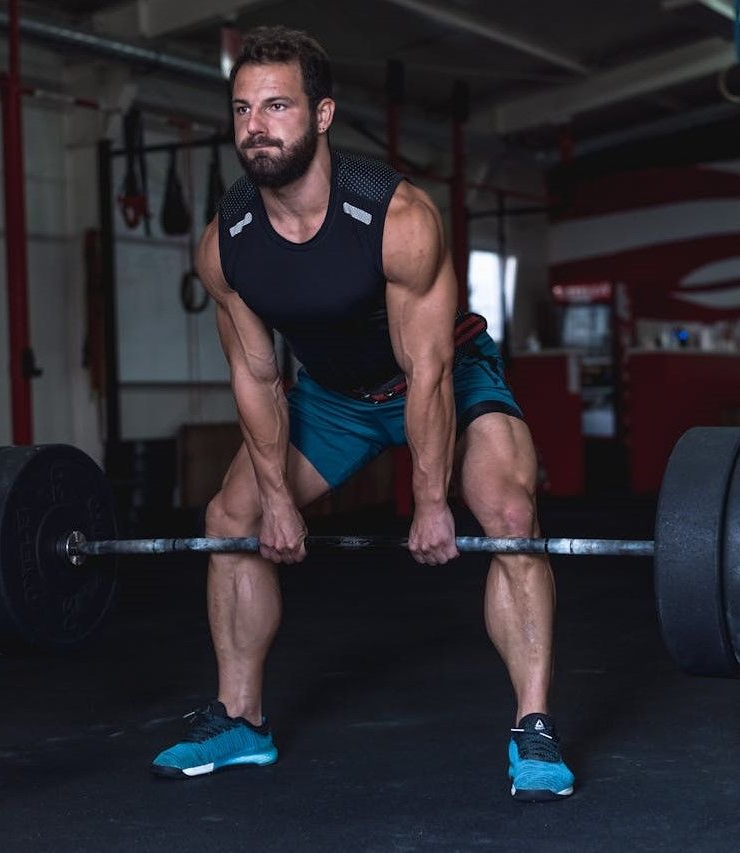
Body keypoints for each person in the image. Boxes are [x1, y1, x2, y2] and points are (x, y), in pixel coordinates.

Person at [150, 25, 573, 802]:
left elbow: (429, 370)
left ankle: (533, 723)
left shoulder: (399, 218)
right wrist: (276, 498)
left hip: (447, 380)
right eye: (243, 108)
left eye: (277, 105)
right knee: (229, 514)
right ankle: (242, 720)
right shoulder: (227, 244)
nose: (256, 124)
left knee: (510, 510)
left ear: (321, 115)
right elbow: (254, 372)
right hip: (335, 398)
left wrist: (432, 498)